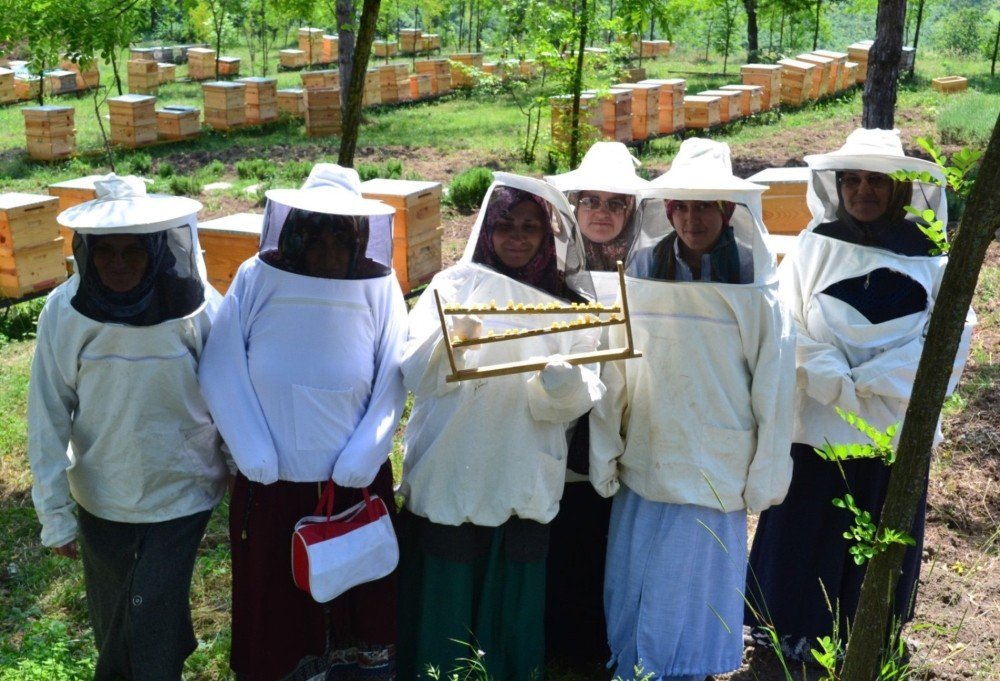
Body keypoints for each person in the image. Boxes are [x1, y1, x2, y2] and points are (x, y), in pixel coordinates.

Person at [745, 128, 976, 661]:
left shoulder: (933, 257)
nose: (863, 191)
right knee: (806, 525)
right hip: (817, 423)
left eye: (877, 181)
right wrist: (832, 376)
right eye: (853, 180)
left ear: (899, 188)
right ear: (838, 185)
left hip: (892, 426)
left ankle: (863, 637)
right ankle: (789, 637)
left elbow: (951, 333)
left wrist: (877, 381)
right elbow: (786, 319)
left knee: (877, 529)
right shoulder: (814, 243)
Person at [589, 138, 795, 681]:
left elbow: (774, 384)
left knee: (693, 574)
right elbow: (619, 371)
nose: (693, 216)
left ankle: (687, 669)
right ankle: (636, 663)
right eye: (684, 204)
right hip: (651, 447)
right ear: (669, 209)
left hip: (716, 454)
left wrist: (766, 471)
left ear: (728, 212)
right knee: (639, 570)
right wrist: (606, 446)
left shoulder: (755, 281)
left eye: (707, 205)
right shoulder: (644, 273)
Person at [198, 165, 407, 681]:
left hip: (353, 485)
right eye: (315, 228)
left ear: (361, 237)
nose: (328, 242)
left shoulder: (380, 287)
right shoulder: (255, 277)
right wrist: (252, 450)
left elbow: (392, 374)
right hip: (270, 485)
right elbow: (221, 364)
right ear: (292, 229)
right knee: (274, 603)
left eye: (341, 231)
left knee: (360, 593)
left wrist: (366, 452)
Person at [397, 174, 606, 680]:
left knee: (511, 581)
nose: (516, 236)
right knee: (447, 579)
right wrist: (453, 342)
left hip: (521, 465)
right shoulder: (452, 286)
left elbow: (585, 394)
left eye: (530, 227)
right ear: (487, 228)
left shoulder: (572, 307)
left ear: (549, 235)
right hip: (453, 457)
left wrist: (562, 387)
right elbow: (414, 374)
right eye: (506, 224)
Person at [27, 175, 228, 681]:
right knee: (114, 609)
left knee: (151, 603)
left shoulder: (199, 305)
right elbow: (47, 412)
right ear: (86, 251)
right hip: (102, 491)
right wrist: (53, 511)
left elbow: (232, 393)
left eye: (133, 252)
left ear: (159, 249)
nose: (118, 263)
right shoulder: (64, 313)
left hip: (182, 487)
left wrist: (239, 464)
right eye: (106, 252)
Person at [543, 141, 648, 671]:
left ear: (633, 213)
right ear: (573, 207)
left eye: (616, 203)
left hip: (626, 433)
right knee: (563, 538)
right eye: (591, 202)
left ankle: (595, 645)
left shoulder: (649, 271)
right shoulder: (549, 268)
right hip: (559, 435)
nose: (602, 213)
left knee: (605, 545)